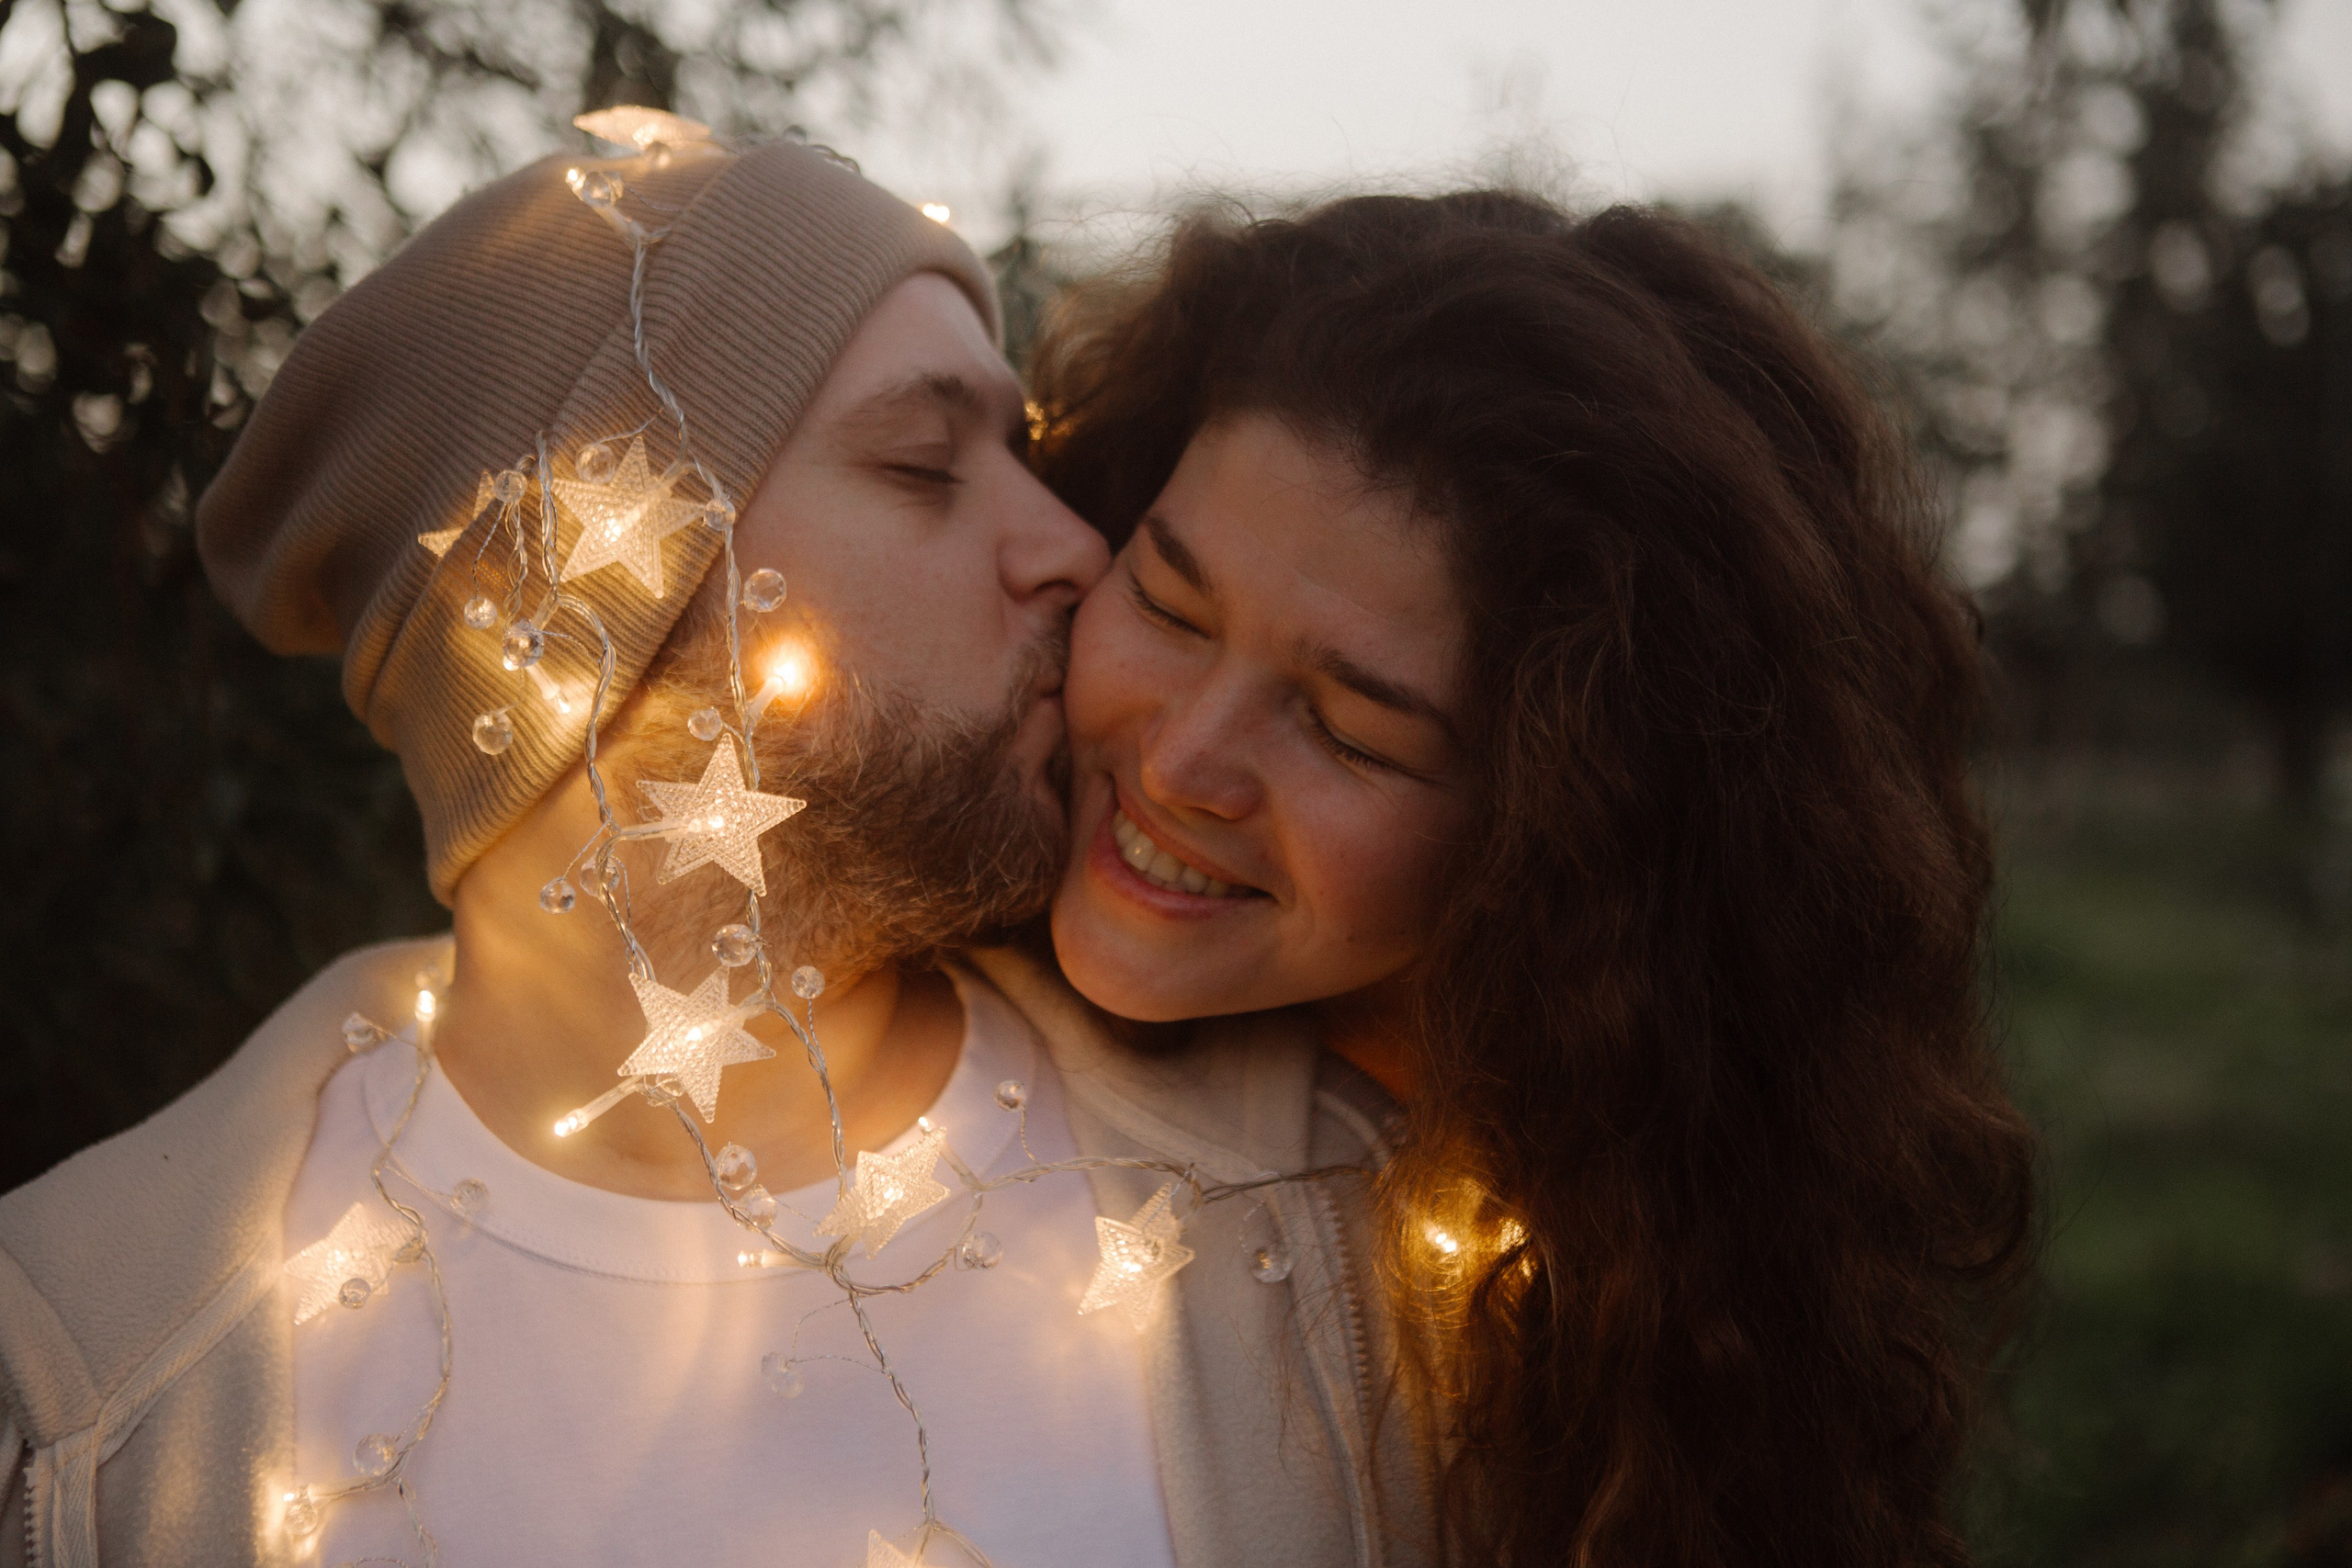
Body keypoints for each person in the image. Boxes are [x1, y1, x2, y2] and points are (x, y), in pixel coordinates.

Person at [0, 126, 1430, 1567]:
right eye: (925, 464)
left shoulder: (1342, 1235)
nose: (1070, 546)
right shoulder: (88, 1392)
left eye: (1027, 454)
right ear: (574, 612)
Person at [1028, 191, 2041, 1566]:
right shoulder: (874, 1039)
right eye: (1165, 603)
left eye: (1347, 727)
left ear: (1561, 826)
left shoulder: (1638, 1301)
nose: (1185, 761)